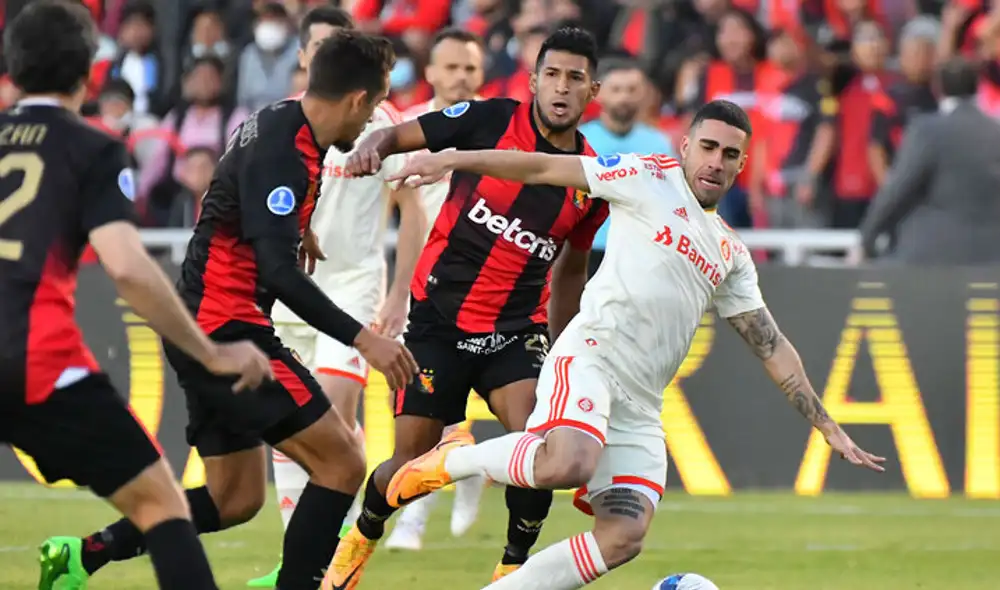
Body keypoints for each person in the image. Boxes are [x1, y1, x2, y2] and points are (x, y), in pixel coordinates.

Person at [384, 99, 886, 590]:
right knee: (568, 463)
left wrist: (826, 424)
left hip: (641, 404)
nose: (716, 161)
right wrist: (453, 158)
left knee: (624, 536)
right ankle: (450, 461)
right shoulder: (646, 175)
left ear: (741, 164)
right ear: (685, 146)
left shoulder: (731, 251)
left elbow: (769, 343)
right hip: (591, 360)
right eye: (707, 147)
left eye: (730, 154)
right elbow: (539, 167)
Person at [40, 30, 419, 590]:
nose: (368, 127)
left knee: (235, 497)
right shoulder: (284, 151)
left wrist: (295, 230)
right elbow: (277, 274)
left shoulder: (282, 120)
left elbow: (242, 201)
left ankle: (85, 554)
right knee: (342, 463)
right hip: (228, 328)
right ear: (358, 99)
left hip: (203, 320)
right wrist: (365, 338)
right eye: (371, 109)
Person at [321, 26, 609, 590]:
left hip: (515, 332)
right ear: (533, 80)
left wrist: (567, 352)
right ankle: (357, 544)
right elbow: (401, 135)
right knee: (408, 463)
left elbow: (571, 269)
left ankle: (511, 569)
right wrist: (370, 147)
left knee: (541, 445)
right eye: (551, 74)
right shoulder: (490, 119)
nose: (561, 86)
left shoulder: (590, 180)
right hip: (437, 323)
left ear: (590, 90)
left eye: (575, 78)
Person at [0, 3, 271, 590]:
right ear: (88, 73)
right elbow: (126, 266)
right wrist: (210, 351)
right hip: (37, 362)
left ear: (12, 71)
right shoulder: (90, 147)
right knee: (161, 506)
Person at [248, 6, 427, 587]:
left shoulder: (382, 121)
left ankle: (332, 560)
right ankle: (303, 556)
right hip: (291, 290)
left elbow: (412, 210)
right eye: (320, 47)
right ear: (305, 58)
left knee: (330, 417)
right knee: (291, 426)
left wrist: (399, 292)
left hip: (352, 289)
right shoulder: (281, 124)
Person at [386, 26, 490, 554]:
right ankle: (463, 464)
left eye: (470, 68)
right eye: (451, 67)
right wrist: (394, 291)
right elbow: (389, 213)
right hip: (422, 290)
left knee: (426, 412)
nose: (461, 77)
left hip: (486, 290)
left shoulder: (498, 129)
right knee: (415, 411)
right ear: (429, 73)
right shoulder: (406, 131)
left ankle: (415, 518)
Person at [859, 58, 1000, 265]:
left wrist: (867, 238)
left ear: (937, 88)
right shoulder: (995, 132)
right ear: (976, 87)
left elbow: (898, 189)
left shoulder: (926, 131)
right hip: (991, 258)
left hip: (930, 256)